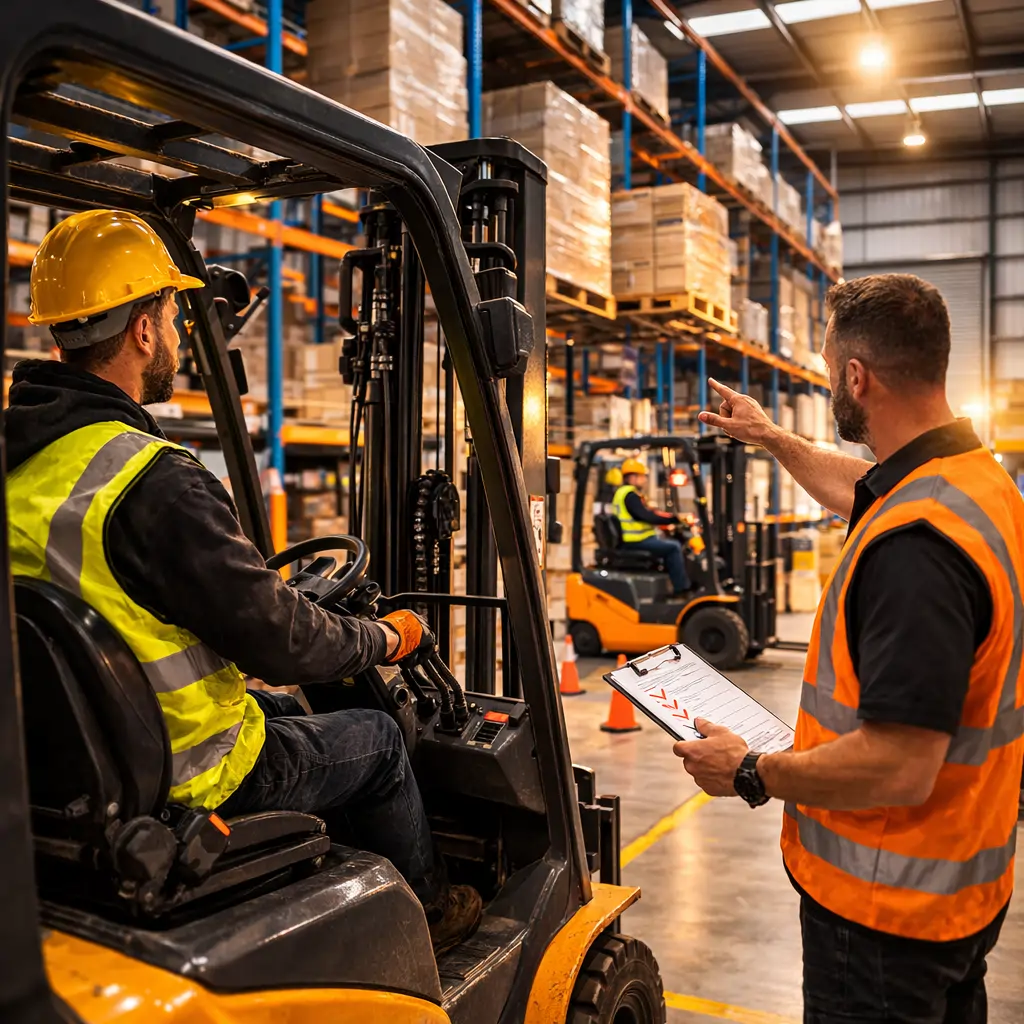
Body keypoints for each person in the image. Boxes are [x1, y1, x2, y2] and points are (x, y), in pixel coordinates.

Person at [8, 209, 480, 954]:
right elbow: (282, 642)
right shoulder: (152, 480)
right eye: (169, 315)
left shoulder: (26, 465)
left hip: (75, 763)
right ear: (141, 330)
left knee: (275, 712)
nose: (176, 335)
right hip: (188, 775)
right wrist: (384, 637)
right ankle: (430, 920)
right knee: (380, 740)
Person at [675, 274, 1024, 1024]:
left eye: (831, 367)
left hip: (883, 915)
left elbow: (900, 765)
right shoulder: (974, 483)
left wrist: (747, 771)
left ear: (857, 379)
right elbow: (861, 485)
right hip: (957, 892)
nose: (830, 380)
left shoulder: (917, 550)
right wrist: (770, 436)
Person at [612, 457, 692, 596]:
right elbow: (645, 516)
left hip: (634, 539)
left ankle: (671, 583)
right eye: (642, 476)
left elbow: (646, 513)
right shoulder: (630, 495)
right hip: (635, 541)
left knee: (670, 545)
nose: (645, 480)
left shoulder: (624, 493)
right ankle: (682, 589)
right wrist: (674, 520)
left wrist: (667, 518)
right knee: (674, 548)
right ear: (633, 477)